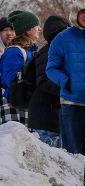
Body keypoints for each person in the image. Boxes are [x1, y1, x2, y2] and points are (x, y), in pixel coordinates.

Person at [46, 0, 85, 158]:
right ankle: (75, 183)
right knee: (73, 151)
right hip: (71, 103)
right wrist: (66, 82)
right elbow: (51, 68)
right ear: (75, 15)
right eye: (82, 12)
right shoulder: (62, 38)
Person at [26, 16, 69, 146]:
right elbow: (44, 80)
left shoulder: (57, 51)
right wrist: (68, 88)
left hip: (50, 115)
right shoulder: (48, 53)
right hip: (46, 117)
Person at [1, 11, 41, 125]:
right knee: (14, 141)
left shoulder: (29, 51)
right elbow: (9, 80)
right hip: (13, 104)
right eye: (36, 26)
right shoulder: (14, 51)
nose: (39, 29)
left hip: (25, 104)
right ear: (28, 30)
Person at [0, 16, 16, 124]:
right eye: (5, 30)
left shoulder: (17, 50)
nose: (9, 33)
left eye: (12, 30)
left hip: (13, 97)